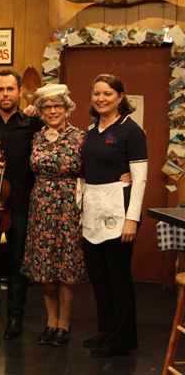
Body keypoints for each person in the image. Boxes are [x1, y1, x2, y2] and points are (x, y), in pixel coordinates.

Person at [81, 74, 147, 358]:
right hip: (92, 210)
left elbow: (140, 179)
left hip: (119, 212)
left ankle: (121, 340)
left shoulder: (132, 132)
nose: (101, 99)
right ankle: (105, 331)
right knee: (97, 276)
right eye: (96, 93)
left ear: (120, 97)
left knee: (117, 276)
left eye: (107, 93)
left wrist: (132, 218)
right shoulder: (91, 129)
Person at [21, 84, 86, 347]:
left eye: (58, 106)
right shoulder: (36, 137)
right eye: (47, 107)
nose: (53, 111)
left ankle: (64, 323)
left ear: (67, 108)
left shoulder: (80, 137)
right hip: (40, 205)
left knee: (65, 267)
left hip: (69, 206)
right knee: (45, 267)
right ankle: (50, 321)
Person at [0, 69, 44, 340]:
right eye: (0, 89)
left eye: (10, 89)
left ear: (20, 91)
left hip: (21, 202)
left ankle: (15, 318)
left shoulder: (33, 122)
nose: (5, 94)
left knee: (18, 262)